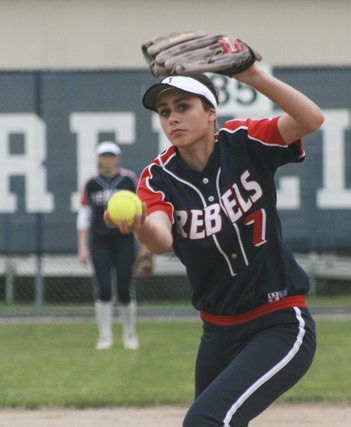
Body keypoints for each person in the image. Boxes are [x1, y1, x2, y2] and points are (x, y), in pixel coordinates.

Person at [106, 63, 324, 426]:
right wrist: (140, 222)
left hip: (280, 321)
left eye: (183, 107)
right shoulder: (158, 176)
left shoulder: (244, 141)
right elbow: (160, 239)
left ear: (211, 113)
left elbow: (310, 119)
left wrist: (253, 76)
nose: (172, 118)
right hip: (218, 331)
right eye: (164, 112)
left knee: (204, 421)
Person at [77, 141, 139, 350]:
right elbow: (84, 215)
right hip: (100, 241)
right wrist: (83, 247)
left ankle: (130, 334)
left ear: (117, 158)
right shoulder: (91, 183)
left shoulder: (129, 180)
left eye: (111, 156)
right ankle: (105, 336)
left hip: (124, 240)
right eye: (104, 156)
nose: (107, 160)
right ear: (98, 159)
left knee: (124, 289)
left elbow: (141, 209)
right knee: (103, 289)